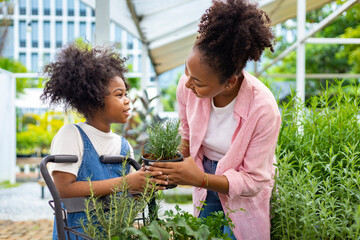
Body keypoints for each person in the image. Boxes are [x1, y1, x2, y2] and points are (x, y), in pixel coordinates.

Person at [147, 0, 281, 239]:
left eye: (197, 81)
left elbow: (254, 180)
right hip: (203, 173)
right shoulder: (187, 87)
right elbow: (185, 134)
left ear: (229, 82)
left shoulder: (263, 109)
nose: (187, 83)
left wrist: (200, 178)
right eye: (187, 72)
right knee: (202, 233)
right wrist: (170, 163)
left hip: (242, 192)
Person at [40, 43, 166, 240]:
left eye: (126, 94)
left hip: (116, 233)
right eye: (119, 95)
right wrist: (125, 182)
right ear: (93, 100)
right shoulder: (71, 135)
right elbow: (63, 189)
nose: (127, 101)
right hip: (78, 234)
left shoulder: (124, 146)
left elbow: (129, 197)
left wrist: (148, 183)